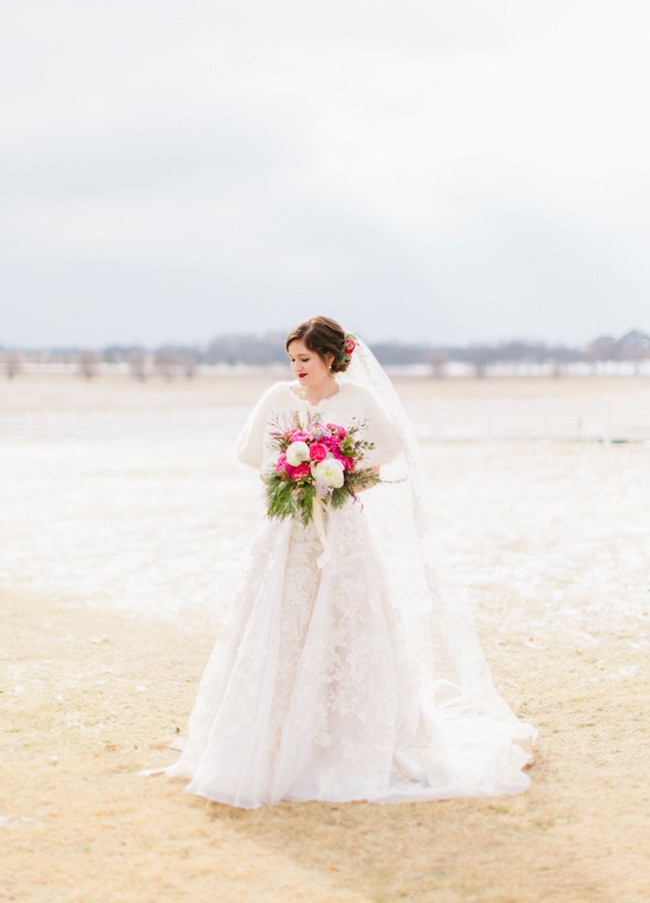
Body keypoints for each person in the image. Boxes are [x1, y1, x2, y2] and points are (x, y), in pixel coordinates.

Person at [164, 316, 535, 807]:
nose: (297, 368)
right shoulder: (278, 399)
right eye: (292, 359)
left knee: (348, 620)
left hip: (341, 527)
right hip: (288, 529)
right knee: (281, 619)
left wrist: (343, 473)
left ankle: (346, 736)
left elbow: (386, 450)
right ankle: (271, 737)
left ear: (329, 358)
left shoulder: (359, 400)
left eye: (305, 359)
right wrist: (290, 470)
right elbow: (251, 453)